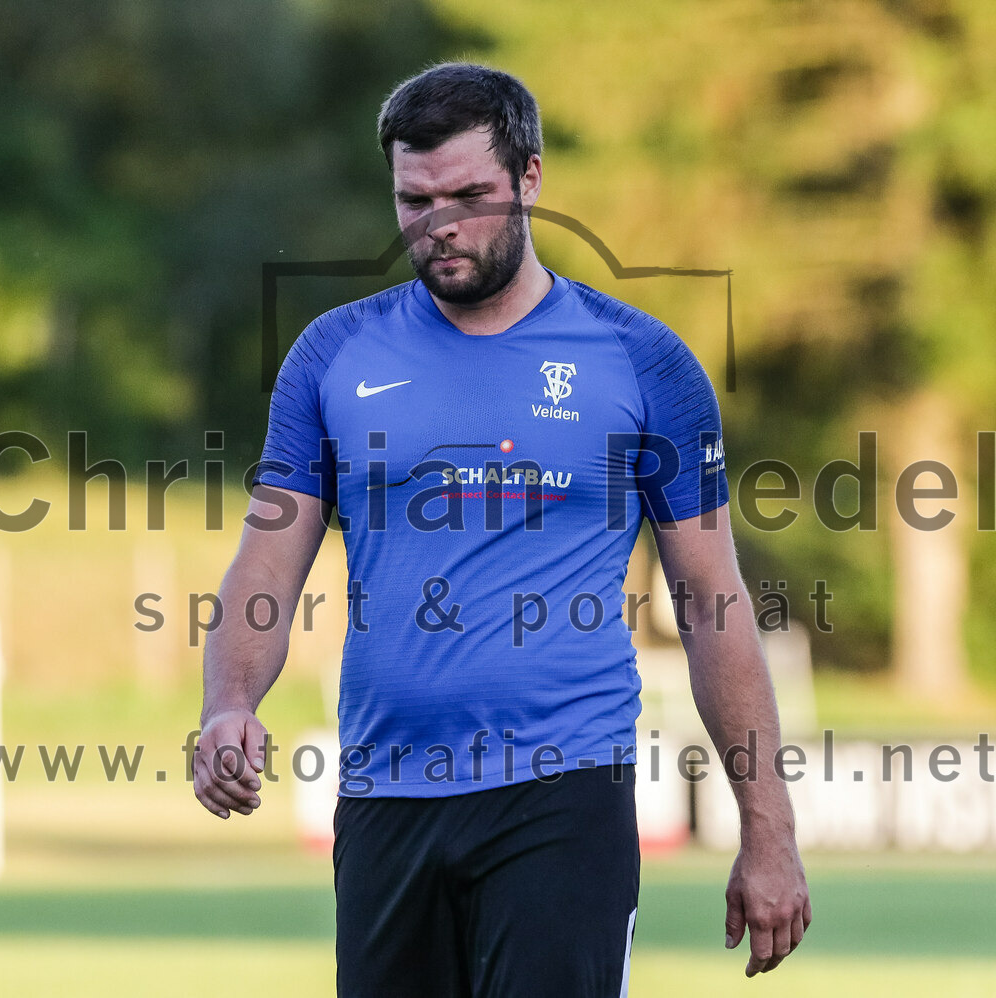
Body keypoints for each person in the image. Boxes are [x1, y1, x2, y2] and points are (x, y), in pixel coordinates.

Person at [193, 61, 811, 996]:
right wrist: (229, 703)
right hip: (383, 796)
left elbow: (712, 602)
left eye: (470, 195)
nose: (440, 225)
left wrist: (768, 833)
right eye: (414, 199)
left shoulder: (643, 361)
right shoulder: (332, 356)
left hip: (563, 794)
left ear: (529, 179)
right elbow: (266, 565)